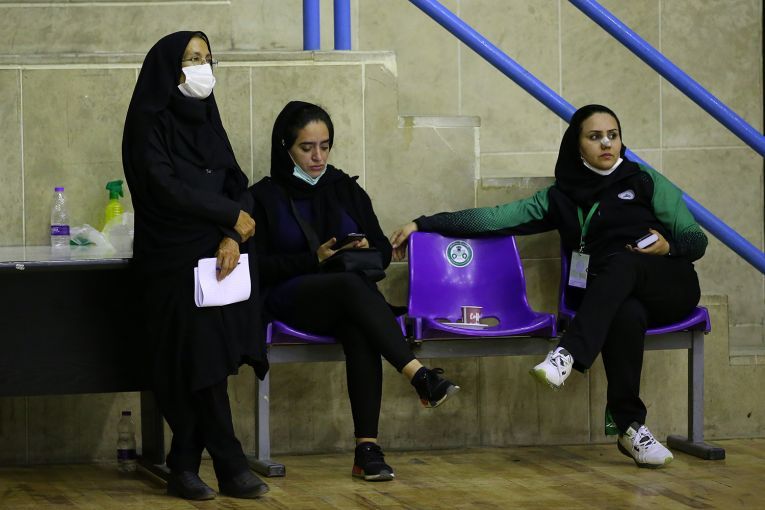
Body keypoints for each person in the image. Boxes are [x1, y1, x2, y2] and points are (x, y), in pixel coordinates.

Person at [390, 104, 707, 469]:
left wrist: (670, 247)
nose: (607, 143)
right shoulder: (560, 197)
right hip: (614, 297)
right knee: (625, 311)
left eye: (613, 135)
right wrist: (424, 223)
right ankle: (630, 428)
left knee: (623, 262)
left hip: (670, 286)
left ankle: (567, 354)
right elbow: (495, 218)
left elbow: (695, 239)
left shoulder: (645, 180)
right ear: (577, 145)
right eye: (595, 137)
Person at [249, 101, 460, 482]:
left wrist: (366, 249)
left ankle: (367, 450)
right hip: (289, 298)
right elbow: (257, 267)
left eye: (325, 146)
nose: (318, 157)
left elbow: (382, 251)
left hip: (346, 298)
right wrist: (313, 259)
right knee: (351, 288)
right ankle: (418, 375)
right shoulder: (264, 197)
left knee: (359, 324)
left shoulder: (345, 188)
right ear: (285, 148)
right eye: (306, 148)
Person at [122, 31, 269, 500]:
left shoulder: (208, 119)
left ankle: (184, 463)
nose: (202, 67)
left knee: (209, 362)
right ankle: (229, 463)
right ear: (169, 68)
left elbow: (237, 185)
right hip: (170, 260)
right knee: (197, 362)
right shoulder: (149, 122)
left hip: (219, 261)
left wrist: (232, 234)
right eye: (191, 59)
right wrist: (229, 216)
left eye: (207, 58)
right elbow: (165, 188)